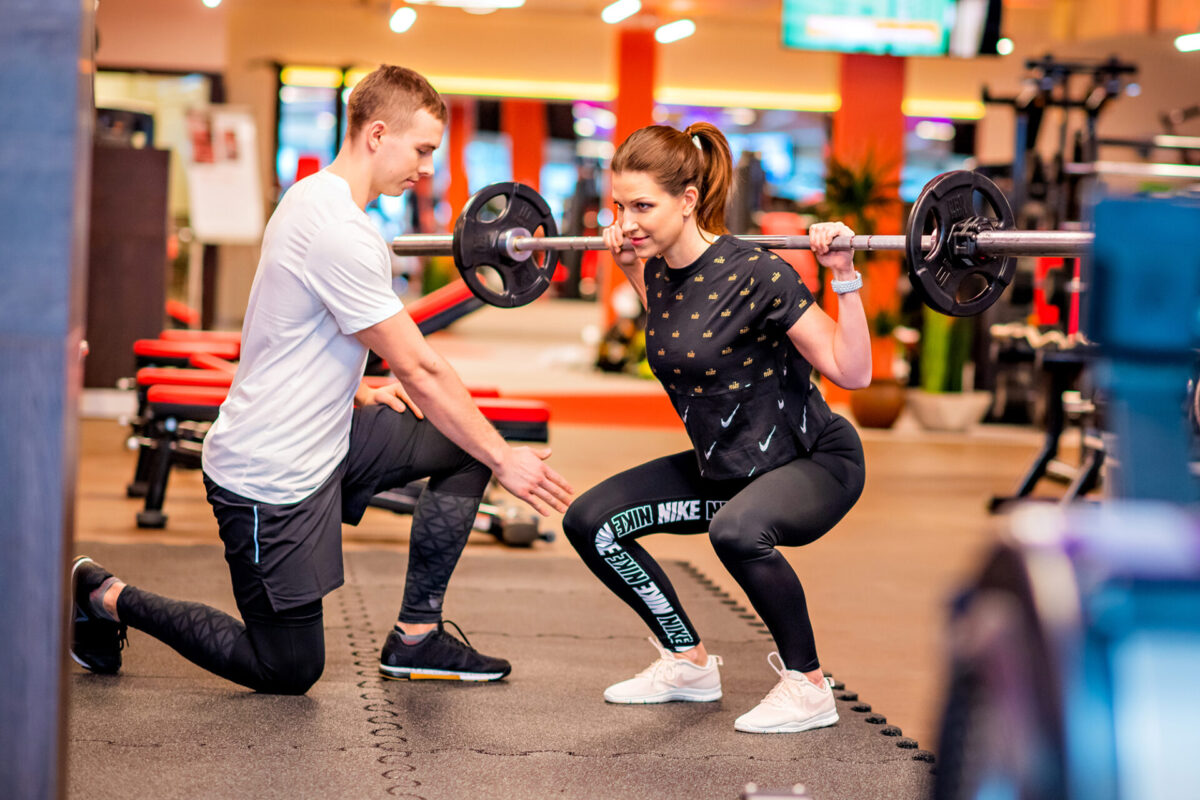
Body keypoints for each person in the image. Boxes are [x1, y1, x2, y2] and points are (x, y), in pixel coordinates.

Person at [69, 65, 573, 694]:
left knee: (463, 444)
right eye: (421, 150)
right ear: (377, 134)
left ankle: (416, 635)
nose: (425, 167)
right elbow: (420, 367)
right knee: (287, 669)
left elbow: (287, 328)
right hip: (268, 473)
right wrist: (507, 461)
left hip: (329, 434)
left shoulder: (315, 197)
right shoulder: (340, 231)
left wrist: (354, 387)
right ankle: (105, 595)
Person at [562, 122, 869, 734]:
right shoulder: (654, 272)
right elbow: (682, 339)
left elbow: (851, 370)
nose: (628, 221)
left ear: (689, 200)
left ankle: (809, 687)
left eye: (644, 206)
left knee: (735, 531)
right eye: (620, 206)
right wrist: (627, 264)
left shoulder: (759, 273)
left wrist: (843, 275)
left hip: (810, 461)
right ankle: (687, 662)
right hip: (727, 468)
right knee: (589, 522)